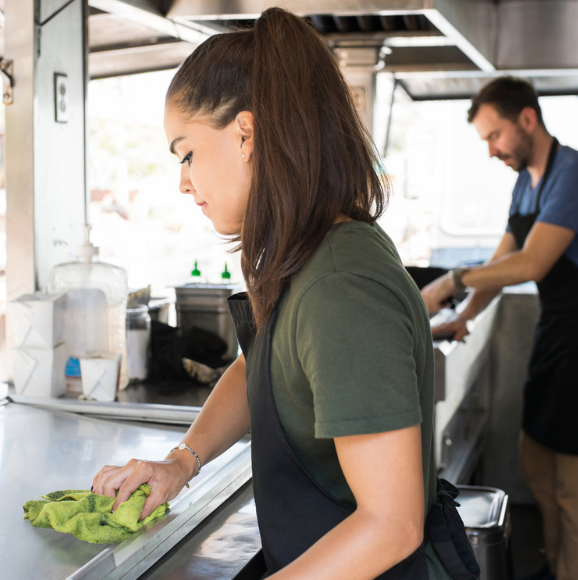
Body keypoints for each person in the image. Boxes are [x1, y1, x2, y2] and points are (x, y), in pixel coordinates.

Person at [91, 9, 479, 580]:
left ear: (245, 135)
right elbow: (261, 369)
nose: (183, 180)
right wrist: (180, 463)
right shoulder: (309, 254)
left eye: (187, 153)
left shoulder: (342, 285)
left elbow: (391, 524)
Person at [421, 77, 578, 580]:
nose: (491, 151)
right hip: (558, 331)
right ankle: (561, 567)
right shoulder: (525, 181)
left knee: (576, 483)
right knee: (538, 465)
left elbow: (533, 263)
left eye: (494, 137)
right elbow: (504, 260)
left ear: (527, 120)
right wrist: (463, 315)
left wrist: (450, 281)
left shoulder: (576, 174)